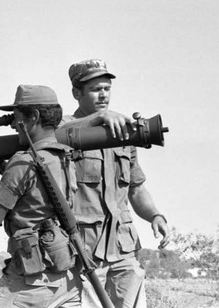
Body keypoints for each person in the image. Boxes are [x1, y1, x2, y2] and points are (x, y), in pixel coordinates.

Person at [62, 58, 171, 308]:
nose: (103, 95)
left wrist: (155, 215)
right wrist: (98, 118)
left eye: (107, 88)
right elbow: (54, 135)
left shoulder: (122, 133)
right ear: (76, 93)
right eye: (95, 89)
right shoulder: (65, 129)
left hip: (124, 247)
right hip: (84, 250)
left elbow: (136, 187)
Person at [0, 84, 83, 308]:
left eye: (17, 118)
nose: (15, 125)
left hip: (30, 280)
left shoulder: (23, 162)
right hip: (66, 276)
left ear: (33, 117)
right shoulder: (65, 157)